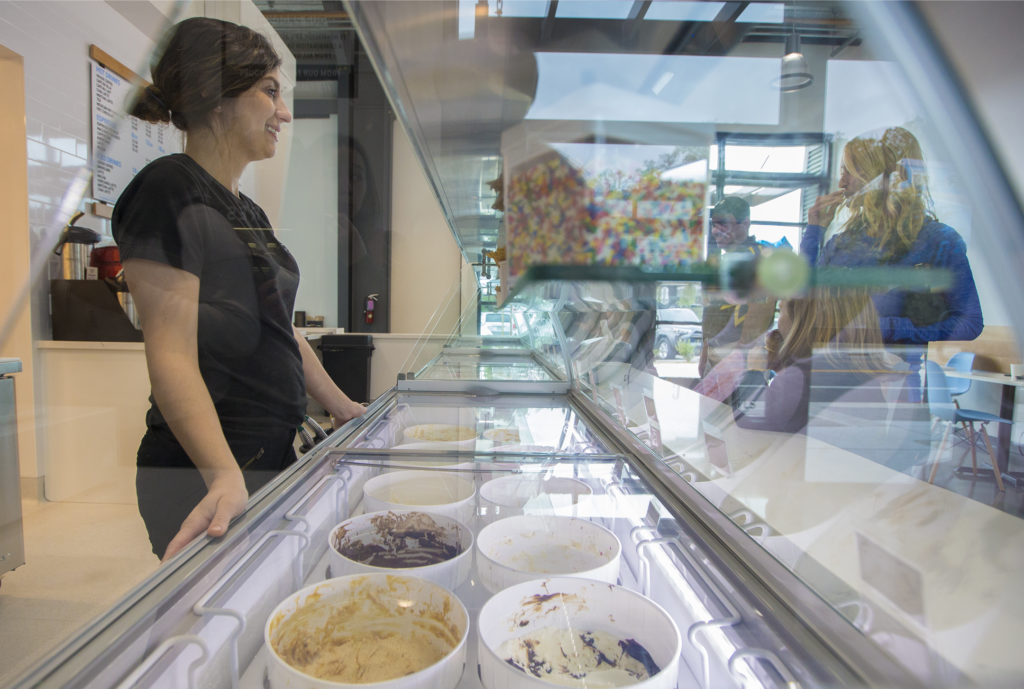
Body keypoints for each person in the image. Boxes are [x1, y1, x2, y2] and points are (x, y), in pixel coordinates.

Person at [113, 17, 366, 561]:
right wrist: (223, 474)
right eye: (269, 91)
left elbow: (279, 330)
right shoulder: (167, 188)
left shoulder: (244, 207)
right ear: (217, 97)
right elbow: (171, 354)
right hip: (205, 472)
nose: (285, 112)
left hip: (262, 455)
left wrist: (343, 407)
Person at [801, 126, 983, 399]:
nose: (842, 183)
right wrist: (814, 230)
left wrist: (889, 327)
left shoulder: (939, 241)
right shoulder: (842, 242)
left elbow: (970, 323)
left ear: (878, 177)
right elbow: (803, 302)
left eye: (849, 171)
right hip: (829, 386)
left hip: (894, 391)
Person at [699, 196, 780, 377]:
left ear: (745, 223)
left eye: (724, 225)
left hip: (737, 362)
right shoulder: (724, 261)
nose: (715, 231)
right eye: (714, 225)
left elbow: (756, 322)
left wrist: (734, 363)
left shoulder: (758, 259)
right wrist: (706, 351)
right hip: (718, 356)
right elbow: (712, 312)